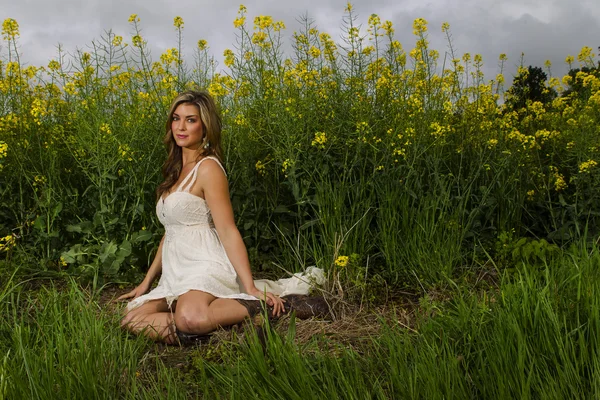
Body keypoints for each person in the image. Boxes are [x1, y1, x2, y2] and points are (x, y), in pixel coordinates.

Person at [119, 91, 325, 345]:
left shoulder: (208, 168)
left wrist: (249, 286)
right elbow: (171, 232)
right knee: (131, 320)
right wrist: (146, 282)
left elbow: (227, 230)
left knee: (189, 317)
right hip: (177, 271)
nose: (181, 127)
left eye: (191, 120)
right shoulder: (174, 170)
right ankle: (214, 334)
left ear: (206, 127)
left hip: (204, 263)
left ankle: (277, 307)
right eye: (176, 118)